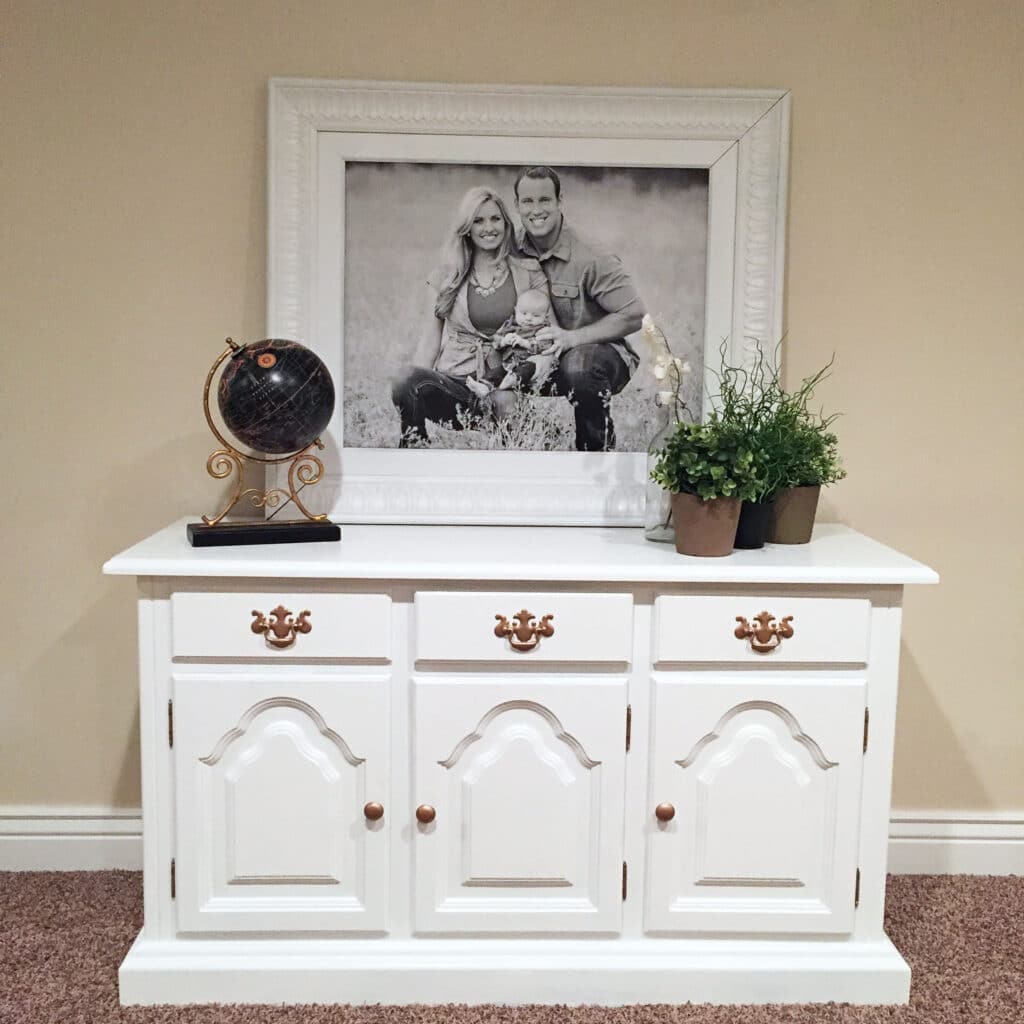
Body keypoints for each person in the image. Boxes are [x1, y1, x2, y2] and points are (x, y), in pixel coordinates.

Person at [390, 187, 548, 446]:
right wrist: (413, 387)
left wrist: (528, 370)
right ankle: (414, 450)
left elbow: (546, 333)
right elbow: (430, 341)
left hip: (503, 385)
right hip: (454, 382)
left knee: (506, 405)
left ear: (507, 224)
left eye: (495, 219)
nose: (489, 227)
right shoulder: (445, 276)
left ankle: (533, 441)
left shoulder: (529, 272)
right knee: (405, 379)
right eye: (478, 220)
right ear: (467, 227)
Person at [513, 166, 646, 451]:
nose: (536, 210)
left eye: (545, 200)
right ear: (517, 205)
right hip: (533, 353)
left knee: (580, 366)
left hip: (596, 354)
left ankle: (595, 456)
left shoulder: (591, 254)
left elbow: (634, 314)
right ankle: (535, 444)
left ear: (560, 200)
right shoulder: (510, 248)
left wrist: (571, 338)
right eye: (528, 201)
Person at [466, 287, 554, 396]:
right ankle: (484, 386)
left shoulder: (542, 330)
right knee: (495, 373)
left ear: (546, 317)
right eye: (524, 313)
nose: (528, 318)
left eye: (535, 315)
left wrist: (526, 343)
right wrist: (503, 341)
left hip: (530, 365)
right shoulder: (509, 326)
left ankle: (513, 380)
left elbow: (545, 347)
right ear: (516, 310)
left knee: (527, 368)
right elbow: (495, 341)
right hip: (507, 365)